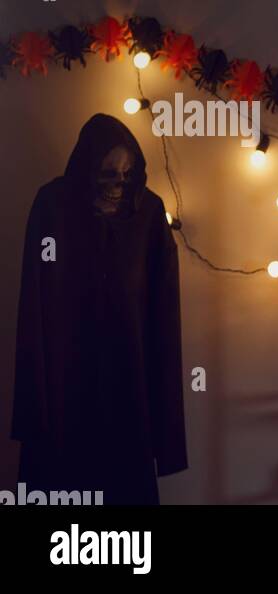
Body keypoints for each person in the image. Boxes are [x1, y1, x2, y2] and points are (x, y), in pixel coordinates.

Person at [13, 114, 186, 505]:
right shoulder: (53, 206)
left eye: (127, 174)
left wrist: (162, 411)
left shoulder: (148, 213)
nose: (118, 185)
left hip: (129, 381)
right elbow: (33, 301)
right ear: (88, 168)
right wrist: (36, 400)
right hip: (64, 381)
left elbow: (165, 311)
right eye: (109, 173)